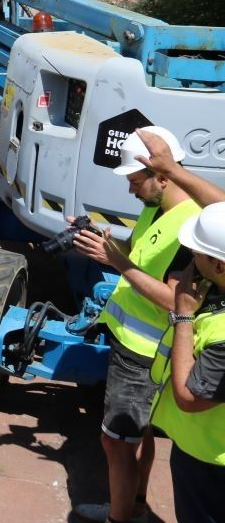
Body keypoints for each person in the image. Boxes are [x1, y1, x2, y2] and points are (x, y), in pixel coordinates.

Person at [70, 126, 201, 523]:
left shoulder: (189, 230)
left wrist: (118, 263)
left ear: (163, 176)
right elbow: (143, 255)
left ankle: (119, 518)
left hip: (146, 354)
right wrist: (110, 246)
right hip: (133, 346)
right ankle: (136, 506)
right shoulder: (156, 208)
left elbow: (178, 301)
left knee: (115, 444)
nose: (130, 191)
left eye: (134, 182)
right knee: (136, 435)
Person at [149, 202, 225, 523]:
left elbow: (188, 397)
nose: (191, 260)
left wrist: (183, 314)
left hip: (210, 463)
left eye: (197, 254)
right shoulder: (216, 289)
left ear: (220, 266)